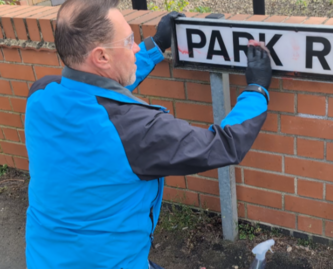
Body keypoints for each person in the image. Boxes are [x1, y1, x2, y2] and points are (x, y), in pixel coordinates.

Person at [24, 0, 272, 268]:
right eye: (129, 40)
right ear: (101, 56)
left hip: (44, 257)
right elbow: (224, 144)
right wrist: (257, 89)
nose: (134, 47)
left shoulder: (41, 95)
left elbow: (102, 89)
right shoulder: (136, 131)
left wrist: (156, 45)